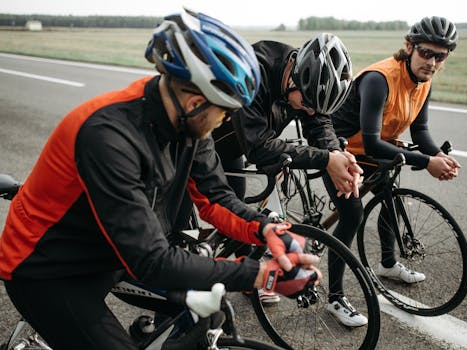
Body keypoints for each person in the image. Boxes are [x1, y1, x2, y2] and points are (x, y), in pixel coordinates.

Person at [0, 9, 321, 350]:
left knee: (207, 315)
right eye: (224, 111)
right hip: (51, 270)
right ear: (196, 101)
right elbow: (152, 261)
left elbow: (215, 198)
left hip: (117, 251)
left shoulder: (189, 123)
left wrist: (267, 229)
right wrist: (260, 275)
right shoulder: (108, 136)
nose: (225, 120)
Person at [211, 33, 368, 326]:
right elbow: (259, 147)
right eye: (306, 103)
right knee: (185, 232)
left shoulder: (308, 87)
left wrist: (337, 156)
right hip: (201, 143)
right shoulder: (253, 72)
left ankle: (244, 277)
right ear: (293, 77)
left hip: (233, 147)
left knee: (236, 211)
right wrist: (325, 159)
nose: (308, 111)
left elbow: (318, 121)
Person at [325, 16, 462, 296]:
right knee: (352, 216)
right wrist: (427, 163)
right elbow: (373, 143)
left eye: (440, 56)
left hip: (374, 147)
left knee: (390, 196)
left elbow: (420, 130)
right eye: (425, 52)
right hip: (341, 149)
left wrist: (438, 156)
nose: (432, 63)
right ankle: (335, 296)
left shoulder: (424, 80)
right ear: (409, 46)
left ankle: (388, 264)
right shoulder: (380, 79)